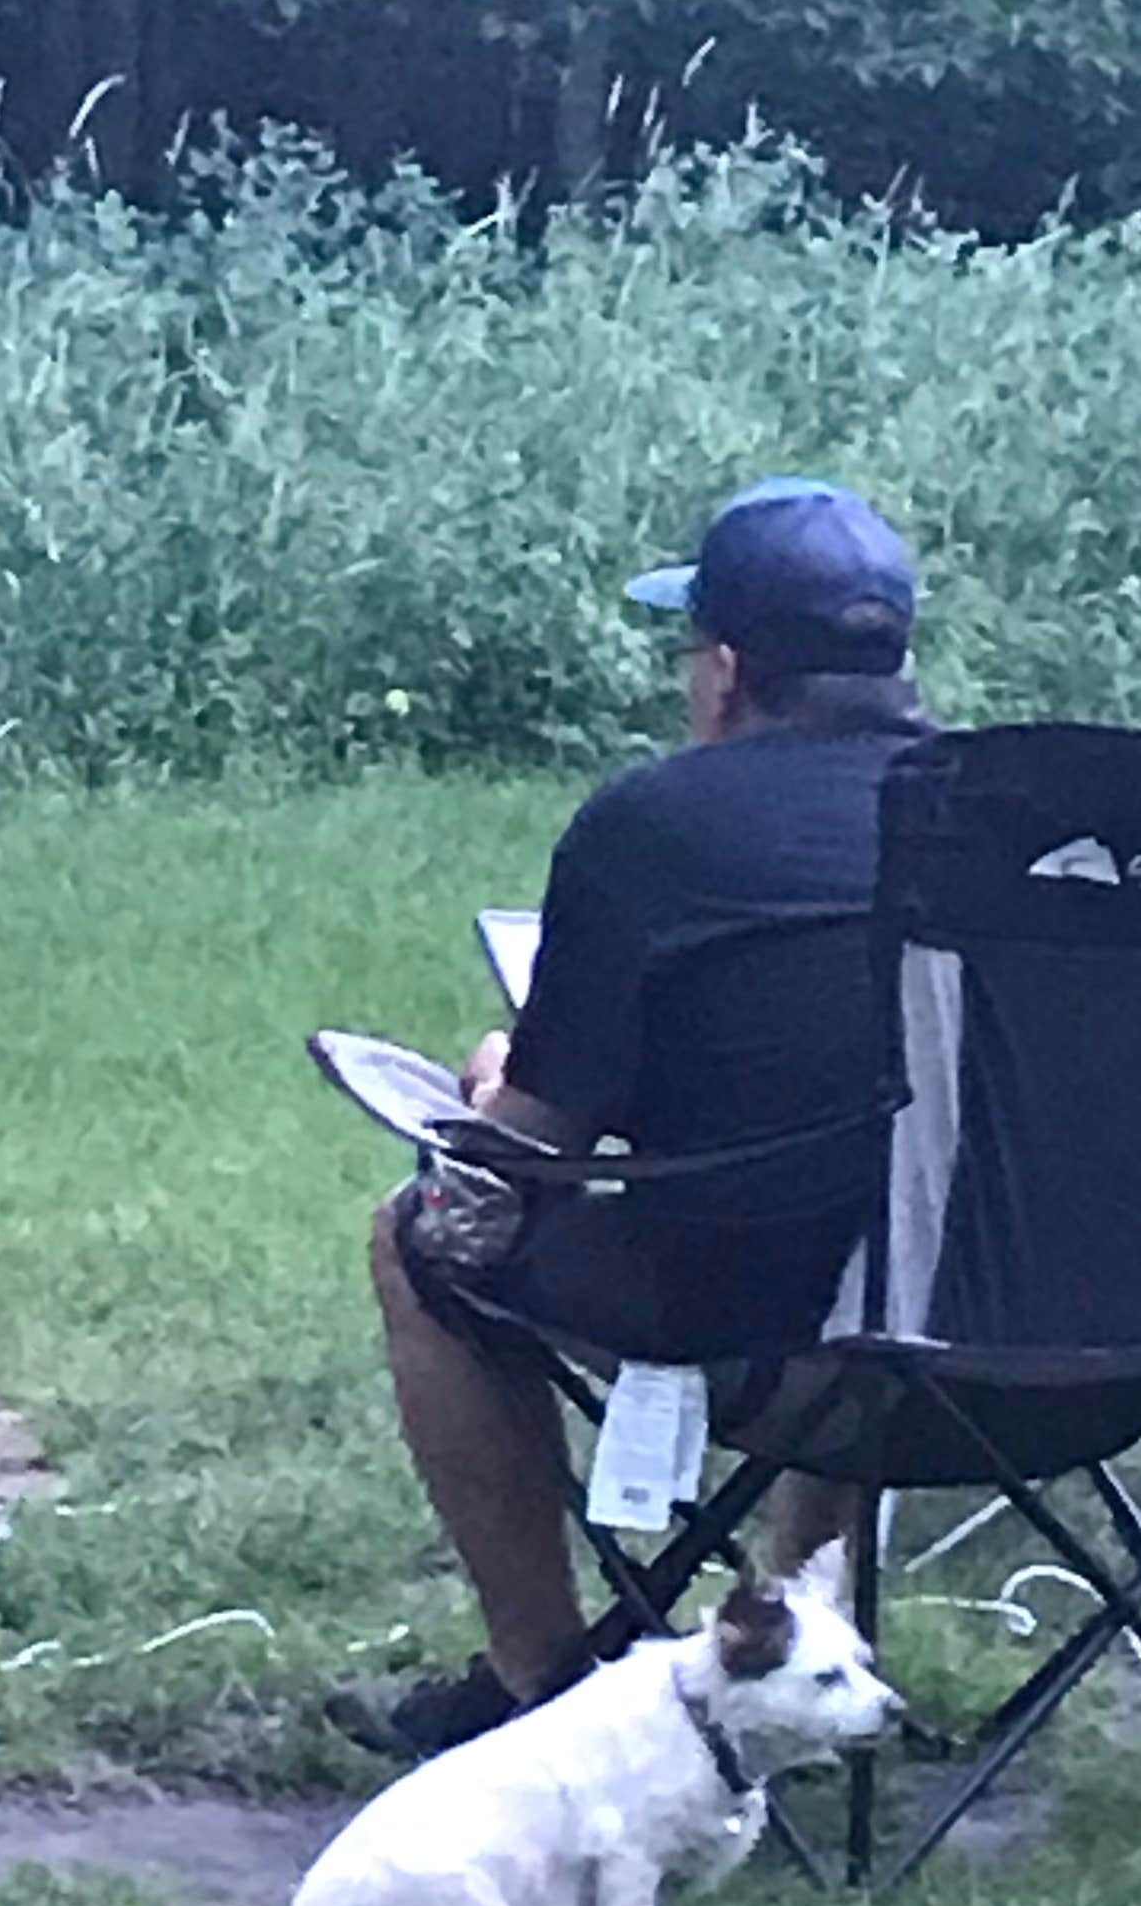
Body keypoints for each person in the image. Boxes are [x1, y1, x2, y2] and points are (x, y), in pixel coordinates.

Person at [336, 477, 929, 1765]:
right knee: (884, 1216)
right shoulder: (1007, 812)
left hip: (757, 1333)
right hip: (1056, 1341)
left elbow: (535, 1152)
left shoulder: (654, 826)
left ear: (722, 674)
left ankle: (541, 1682)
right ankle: (809, 1632)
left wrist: (490, 1085)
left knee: (419, 1240)